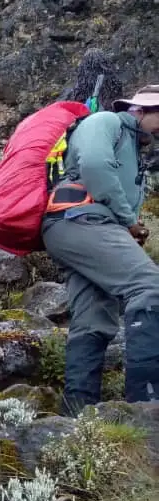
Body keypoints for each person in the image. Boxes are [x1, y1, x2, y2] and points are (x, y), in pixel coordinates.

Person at [42, 85, 159, 414]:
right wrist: (127, 220)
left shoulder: (132, 146)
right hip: (81, 220)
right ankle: (147, 406)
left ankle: (77, 418)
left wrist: (124, 223)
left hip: (75, 227)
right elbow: (94, 165)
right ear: (141, 110)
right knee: (150, 287)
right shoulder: (106, 121)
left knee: (94, 321)